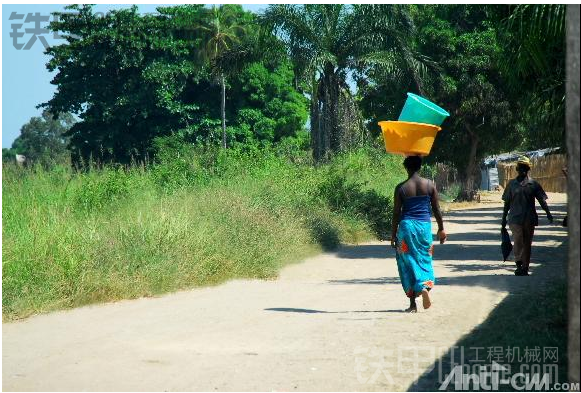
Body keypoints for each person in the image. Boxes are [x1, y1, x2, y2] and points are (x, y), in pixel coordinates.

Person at [391, 156, 447, 313]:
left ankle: (412, 304)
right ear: (420, 167)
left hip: (406, 227)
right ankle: (424, 287)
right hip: (424, 227)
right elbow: (436, 209)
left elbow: (396, 213)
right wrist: (441, 228)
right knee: (424, 259)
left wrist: (393, 233)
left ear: (406, 167)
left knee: (407, 261)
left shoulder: (401, 188)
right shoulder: (429, 185)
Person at [501, 156, 553, 276]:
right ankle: (519, 263)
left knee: (527, 243)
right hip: (514, 219)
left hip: (529, 219)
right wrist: (503, 219)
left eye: (525, 167)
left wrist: (548, 213)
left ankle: (525, 267)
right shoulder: (511, 185)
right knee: (518, 240)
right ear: (517, 169)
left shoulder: (533, 184)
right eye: (521, 167)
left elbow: (542, 200)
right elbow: (507, 203)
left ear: (528, 169)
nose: (523, 170)